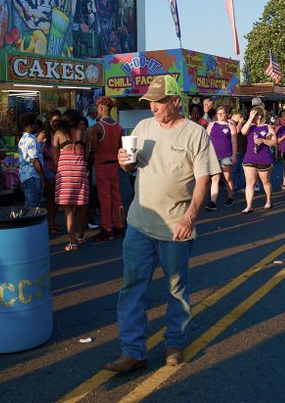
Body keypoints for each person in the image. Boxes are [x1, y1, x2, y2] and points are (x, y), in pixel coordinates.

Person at [104, 75, 218, 373]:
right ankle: (133, 351)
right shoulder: (142, 128)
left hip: (175, 227)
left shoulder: (196, 134)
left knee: (176, 288)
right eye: (150, 101)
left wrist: (190, 217)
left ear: (176, 101)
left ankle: (174, 344)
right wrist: (123, 160)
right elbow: (131, 165)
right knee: (132, 287)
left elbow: (204, 180)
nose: (153, 107)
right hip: (139, 224)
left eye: (159, 101)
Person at [89, 96, 125, 242]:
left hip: (102, 165)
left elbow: (93, 148)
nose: (97, 111)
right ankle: (119, 226)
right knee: (116, 197)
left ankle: (106, 229)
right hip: (114, 166)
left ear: (102, 108)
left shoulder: (97, 127)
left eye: (98, 108)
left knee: (104, 198)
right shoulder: (119, 127)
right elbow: (121, 147)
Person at [54, 109, 90, 251]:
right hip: (80, 172)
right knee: (81, 207)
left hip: (65, 173)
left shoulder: (59, 133)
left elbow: (55, 157)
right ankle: (81, 237)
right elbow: (86, 156)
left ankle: (72, 242)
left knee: (68, 210)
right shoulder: (84, 133)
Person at [241, 106, 277, 212]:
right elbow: (243, 132)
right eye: (251, 114)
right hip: (249, 158)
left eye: (255, 114)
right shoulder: (250, 126)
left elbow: (274, 142)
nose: (253, 116)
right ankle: (249, 205)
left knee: (265, 181)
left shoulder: (267, 127)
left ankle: (268, 201)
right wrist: (250, 119)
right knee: (250, 182)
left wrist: (263, 141)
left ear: (260, 115)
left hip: (264, 158)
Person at [206, 106, 237, 210]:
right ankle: (213, 201)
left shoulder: (230, 125)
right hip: (213, 155)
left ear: (226, 114)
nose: (220, 115)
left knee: (227, 178)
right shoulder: (211, 125)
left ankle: (230, 196)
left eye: (223, 113)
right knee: (215, 178)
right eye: (218, 114)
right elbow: (206, 139)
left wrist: (234, 155)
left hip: (226, 155)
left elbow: (234, 141)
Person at [38, 110, 62, 233]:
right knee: (51, 199)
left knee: (57, 199)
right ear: (49, 121)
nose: (57, 123)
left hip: (58, 169)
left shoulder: (60, 133)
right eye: (54, 121)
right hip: (48, 169)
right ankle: (50, 224)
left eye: (59, 120)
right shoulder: (44, 134)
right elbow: (36, 152)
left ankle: (52, 222)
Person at [17, 113, 46, 211]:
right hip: (33, 176)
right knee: (33, 206)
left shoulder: (23, 139)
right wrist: (42, 176)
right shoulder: (30, 139)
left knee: (30, 204)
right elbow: (34, 160)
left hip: (26, 176)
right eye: (35, 123)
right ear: (31, 124)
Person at [230, 111, 247, 190]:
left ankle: (241, 187)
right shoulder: (231, 123)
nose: (241, 118)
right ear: (233, 115)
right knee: (234, 170)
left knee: (241, 170)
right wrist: (240, 122)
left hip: (242, 150)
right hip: (235, 151)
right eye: (239, 116)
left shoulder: (238, 123)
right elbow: (237, 131)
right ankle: (230, 186)